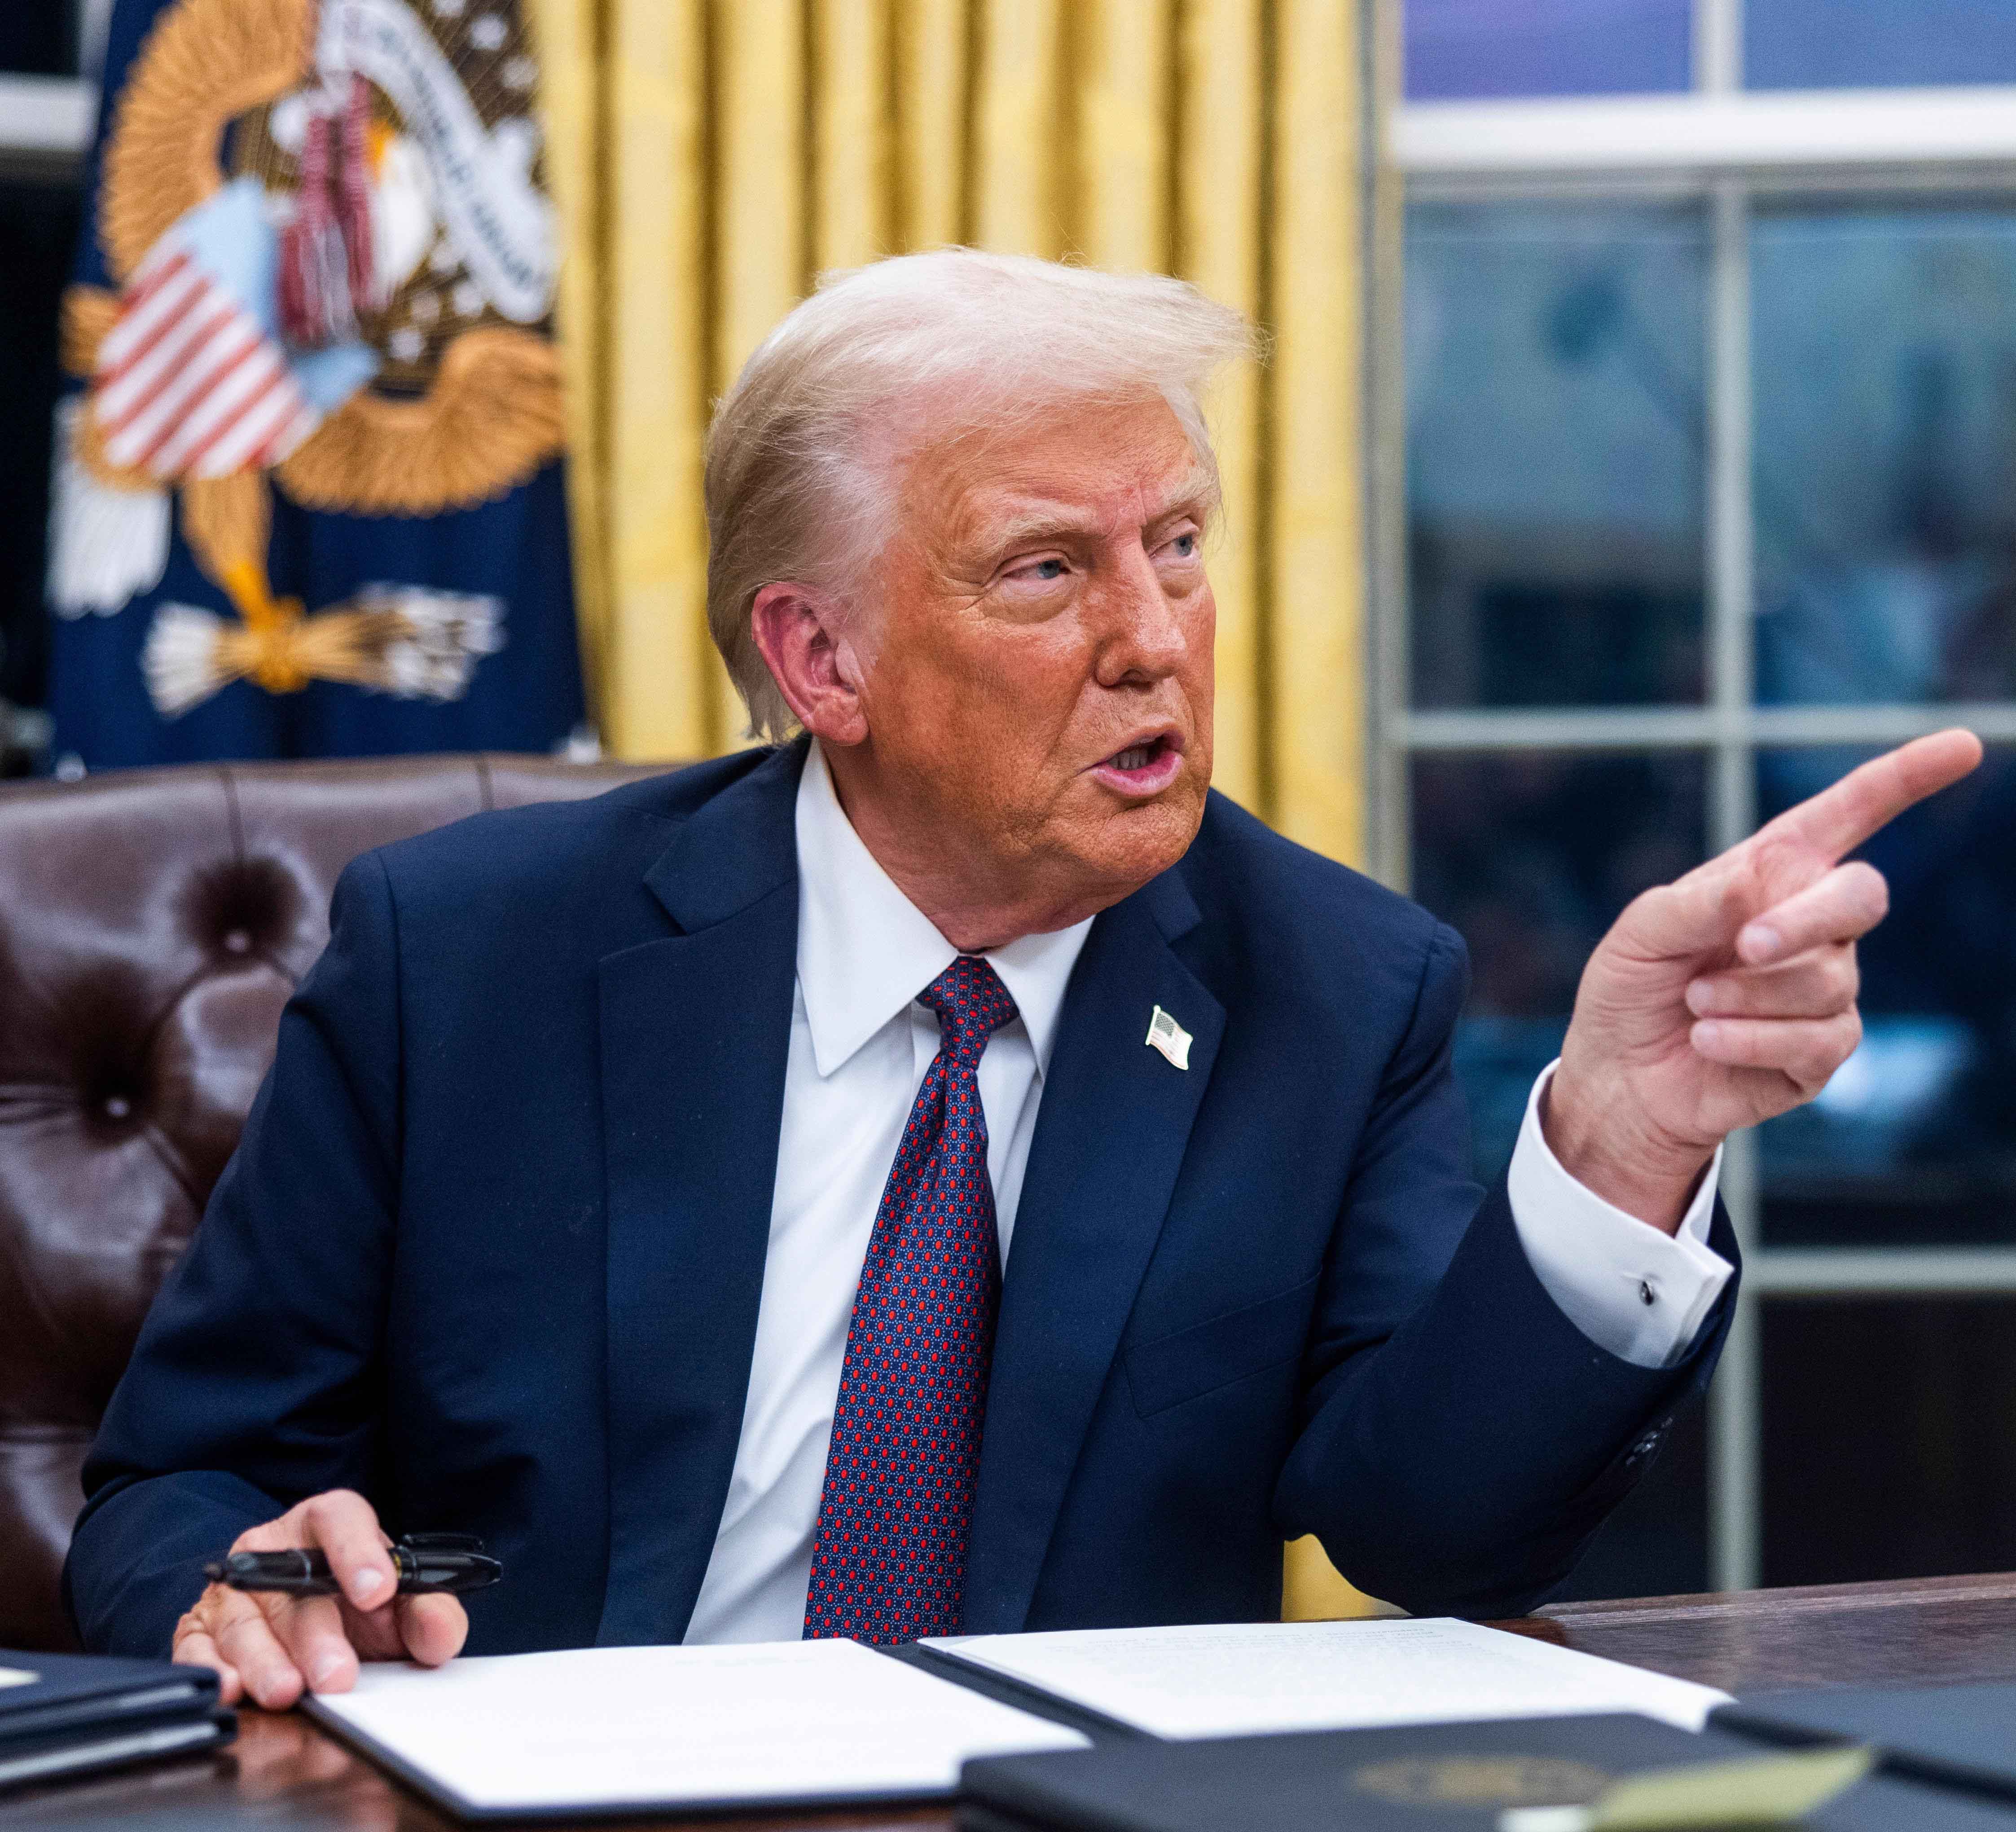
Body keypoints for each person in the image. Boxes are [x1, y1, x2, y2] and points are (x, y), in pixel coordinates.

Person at [64, 251, 1979, 1706]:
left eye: (1177, 547)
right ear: (821, 661)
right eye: (1048, 572)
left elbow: (1431, 1532)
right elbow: (176, 1480)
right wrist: (239, 1575)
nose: (1154, 640)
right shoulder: (468, 953)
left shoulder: (1329, 984)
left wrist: (1616, 1144)